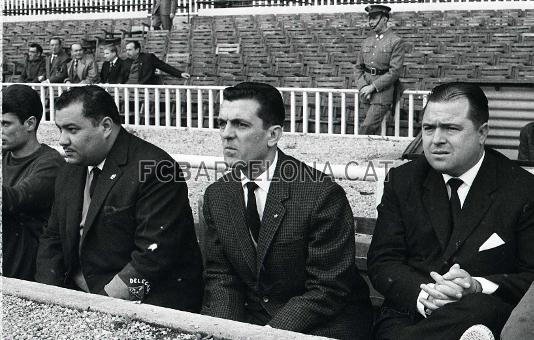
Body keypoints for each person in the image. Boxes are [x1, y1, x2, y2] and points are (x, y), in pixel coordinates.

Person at [201, 82, 373, 339]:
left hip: (322, 322)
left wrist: (268, 335)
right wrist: (227, 332)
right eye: (221, 123)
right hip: (254, 319)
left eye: (240, 124)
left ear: (273, 135)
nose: (226, 134)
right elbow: (222, 277)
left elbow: (327, 289)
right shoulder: (218, 195)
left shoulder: (321, 194)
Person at [368, 82, 534, 340]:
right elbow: (383, 261)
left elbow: (530, 276)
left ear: (482, 133)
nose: (436, 140)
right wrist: (425, 297)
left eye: (451, 128)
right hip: (411, 313)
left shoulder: (522, 189)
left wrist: (477, 285)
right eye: (428, 128)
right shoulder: (404, 180)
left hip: (478, 313)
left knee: (480, 309)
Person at [35, 86, 203, 311]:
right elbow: (53, 239)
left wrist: (98, 309)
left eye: (72, 130)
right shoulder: (71, 168)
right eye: (60, 129)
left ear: (105, 126)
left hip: (144, 306)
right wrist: (50, 298)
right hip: (79, 301)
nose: (62, 140)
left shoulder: (156, 168)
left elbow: (154, 259)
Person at [2, 84, 65, 281]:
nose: (0, 130)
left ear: (29, 124)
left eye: (5, 124)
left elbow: (15, 199)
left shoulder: (50, 162)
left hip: (29, 274)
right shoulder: (4, 156)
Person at [354, 5, 404, 135]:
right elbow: (358, 67)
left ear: (384, 19)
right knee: (370, 132)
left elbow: (395, 71)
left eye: (374, 18)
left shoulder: (395, 41)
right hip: (365, 94)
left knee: (366, 129)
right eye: (369, 18)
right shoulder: (366, 41)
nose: (371, 22)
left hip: (382, 94)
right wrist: (363, 86)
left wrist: (373, 87)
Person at [124, 40, 189, 85]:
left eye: (129, 50)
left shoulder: (148, 58)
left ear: (137, 50)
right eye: (126, 50)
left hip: (142, 89)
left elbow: (164, 66)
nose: (127, 52)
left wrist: (180, 74)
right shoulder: (126, 61)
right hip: (127, 88)